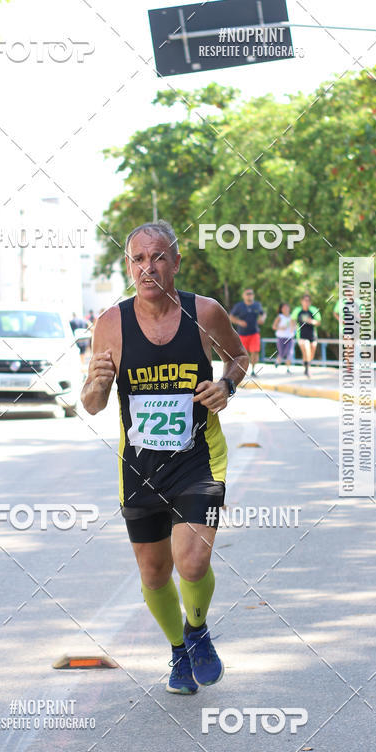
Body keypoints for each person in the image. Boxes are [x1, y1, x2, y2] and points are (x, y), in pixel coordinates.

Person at [81, 221, 249, 694]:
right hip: (139, 467)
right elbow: (93, 403)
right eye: (137, 258)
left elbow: (238, 358)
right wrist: (93, 385)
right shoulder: (111, 323)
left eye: (157, 257)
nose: (147, 267)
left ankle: (197, 631)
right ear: (129, 266)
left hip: (198, 459)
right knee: (154, 572)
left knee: (192, 562)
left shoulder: (205, 312)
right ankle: (179, 651)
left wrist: (226, 385)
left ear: (176, 262)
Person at [229, 288, 266, 377]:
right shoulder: (239, 306)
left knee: (255, 352)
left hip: (254, 333)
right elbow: (231, 317)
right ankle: (242, 371)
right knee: (243, 354)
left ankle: (253, 370)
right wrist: (239, 322)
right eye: (248, 294)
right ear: (244, 296)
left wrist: (262, 319)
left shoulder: (257, 305)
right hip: (242, 334)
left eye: (251, 293)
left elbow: (263, 313)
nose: (250, 295)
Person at [291, 294, 321, 377]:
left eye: (308, 301)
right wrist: (292, 330)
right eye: (305, 300)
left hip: (312, 334)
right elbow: (292, 320)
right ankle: (307, 370)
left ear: (310, 302)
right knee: (306, 349)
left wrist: (311, 321)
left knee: (311, 353)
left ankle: (306, 364)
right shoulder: (297, 310)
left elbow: (318, 322)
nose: (306, 302)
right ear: (301, 301)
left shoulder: (313, 310)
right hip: (301, 335)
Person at [272, 302, 295, 372]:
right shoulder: (280, 317)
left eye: (287, 307)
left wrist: (293, 328)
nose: (286, 309)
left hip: (289, 337)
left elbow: (294, 326)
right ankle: (277, 362)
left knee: (289, 352)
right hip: (281, 337)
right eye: (284, 308)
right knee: (281, 353)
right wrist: (280, 328)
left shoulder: (292, 317)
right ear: (281, 309)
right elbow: (274, 327)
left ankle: (288, 368)